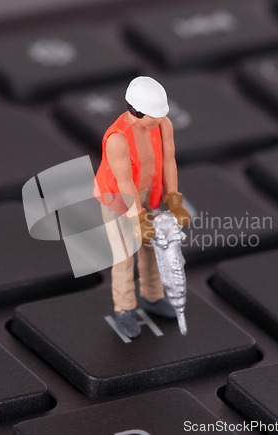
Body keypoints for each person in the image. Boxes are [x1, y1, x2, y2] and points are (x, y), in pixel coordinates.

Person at [94, 76, 191, 338]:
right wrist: (137, 220)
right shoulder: (117, 139)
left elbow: (169, 161)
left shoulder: (162, 125)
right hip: (119, 199)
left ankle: (153, 296)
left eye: (162, 115)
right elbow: (124, 182)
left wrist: (174, 198)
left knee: (152, 249)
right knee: (124, 256)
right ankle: (124, 309)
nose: (159, 120)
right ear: (136, 111)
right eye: (154, 116)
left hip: (151, 192)